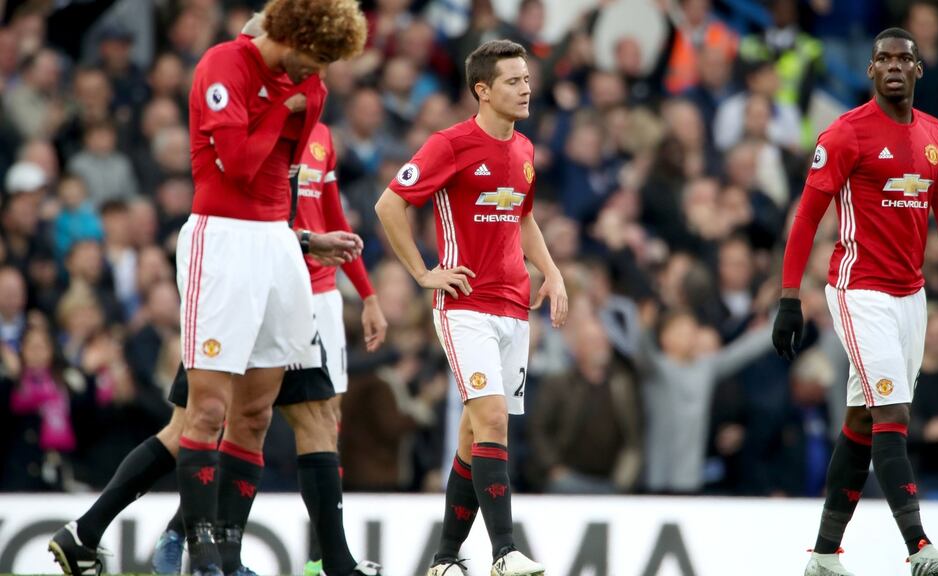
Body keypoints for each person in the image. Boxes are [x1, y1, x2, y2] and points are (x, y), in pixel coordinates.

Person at [46, 2, 368, 576]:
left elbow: (279, 178)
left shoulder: (309, 85)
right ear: (290, 35)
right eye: (312, 59)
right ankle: (202, 555)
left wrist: (298, 240)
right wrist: (282, 109)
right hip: (220, 244)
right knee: (206, 412)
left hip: (275, 244)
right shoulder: (225, 65)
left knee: (255, 416)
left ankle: (195, 550)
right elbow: (241, 166)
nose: (313, 75)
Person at [772, 27, 938, 576]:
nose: (895, 66)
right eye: (884, 59)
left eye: (905, 58)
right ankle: (919, 547)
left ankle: (826, 556)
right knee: (893, 412)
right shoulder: (845, 134)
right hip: (860, 292)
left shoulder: (935, 136)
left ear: (919, 70)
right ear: (871, 71)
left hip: (911, 297)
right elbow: (807, 216)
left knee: (862, 421)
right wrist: (790, 297)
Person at [375, 39, 566, 576]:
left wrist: (551, 272)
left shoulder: (525, 150)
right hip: (464, 304)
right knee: (492, 419)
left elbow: (523, 218)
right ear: (482, 90)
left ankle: (442, 560)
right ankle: (504, 551)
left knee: (473, 433)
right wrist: (422, 273)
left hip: (512, 305)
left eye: (527, 78)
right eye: (512, 80)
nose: (525, 87)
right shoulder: (449, 144)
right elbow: (390, 203)